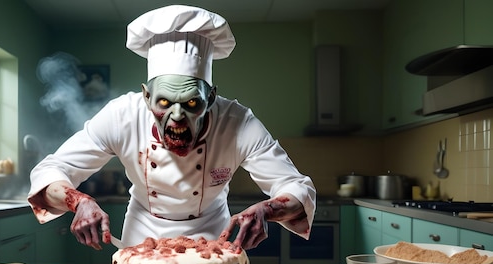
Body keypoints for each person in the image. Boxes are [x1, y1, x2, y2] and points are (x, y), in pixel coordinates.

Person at [28, 4, 317, 251]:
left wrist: (267, 210)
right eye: (164, 102)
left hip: (213, 238)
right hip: (142, 236)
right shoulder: (121, 116)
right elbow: (50, 171)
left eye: (192, 103)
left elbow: (296, 186)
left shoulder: (238, 123)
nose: (177, 117)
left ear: (211, 98)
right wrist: (79, 202)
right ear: (146, 96)